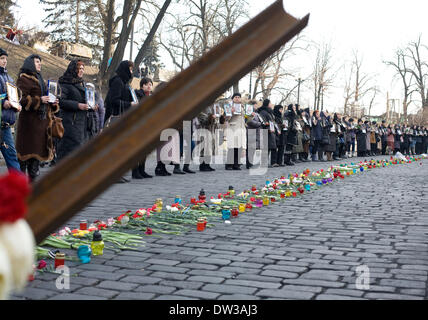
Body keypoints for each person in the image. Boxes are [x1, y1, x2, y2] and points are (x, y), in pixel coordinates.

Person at [16, 54, 59, 182]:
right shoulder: (24, 79)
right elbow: (21, 99)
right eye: (36, 62)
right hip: (28, 125)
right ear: (30, 63)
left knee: (35, 159)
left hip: (40, 124)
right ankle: (21, 186)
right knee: (24, 157)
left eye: (40, 62)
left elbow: (47, 99)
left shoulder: (41, 80)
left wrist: (53, 102)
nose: (40, 64)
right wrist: (39, 100)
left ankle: (32, 186)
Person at [104, 60, 139, 183]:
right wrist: (129, 104)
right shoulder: (118, 82)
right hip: (115, 118)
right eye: (129, 69)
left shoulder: (124, 83)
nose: (131, 72)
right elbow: (113, 100)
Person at [56, 60, 96, 161]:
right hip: (70, 123)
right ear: (73, 69)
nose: (82, 71)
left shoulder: (82, 83)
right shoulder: (65, 83)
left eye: (83, 68)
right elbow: (61, 102)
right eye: (79, 68)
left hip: (82, 124)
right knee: (68, 153)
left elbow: (86, 101)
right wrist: (78, 105)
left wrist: (92, 106)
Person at [0, 48, 21, 171]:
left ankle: (19, 189)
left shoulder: (9, 78)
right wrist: (3, 103)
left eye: (5, 59)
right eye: (2, 58)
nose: (5, 61)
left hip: (5, 126)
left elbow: (13, 98)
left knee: (12, 158)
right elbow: (4, 100)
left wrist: (16, 105)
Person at [132, 77, 153, 178]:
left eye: (150, 84)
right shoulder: (137, 95)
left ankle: (142, 169)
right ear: (142, 85)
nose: (149, 86)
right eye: (147, 84)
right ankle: (135, 171)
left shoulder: (151, 96)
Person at [224, 93, 246, 170]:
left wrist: (251, 116)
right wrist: (231, 112)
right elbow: (226, 119)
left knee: (239, 147)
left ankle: (236, 164)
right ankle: (229, 165)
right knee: (232, 147)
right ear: (233, 98)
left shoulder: (243, 107)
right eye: (235, 97)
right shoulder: (229, 106)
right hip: (233, 128)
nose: (237, 98)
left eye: (239, 97)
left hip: (241, 128)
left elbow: (246, 119)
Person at [257, 99, 278, 167]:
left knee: (273, 147)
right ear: (267, 104)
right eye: (270, 103)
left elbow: (272, 121)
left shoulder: (270, 112)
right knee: (266, 148)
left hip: (272, 132)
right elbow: (262, 121)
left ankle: (273, 162)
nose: (271, 104)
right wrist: (268, 127)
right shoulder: (263, 112)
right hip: (266, 131)